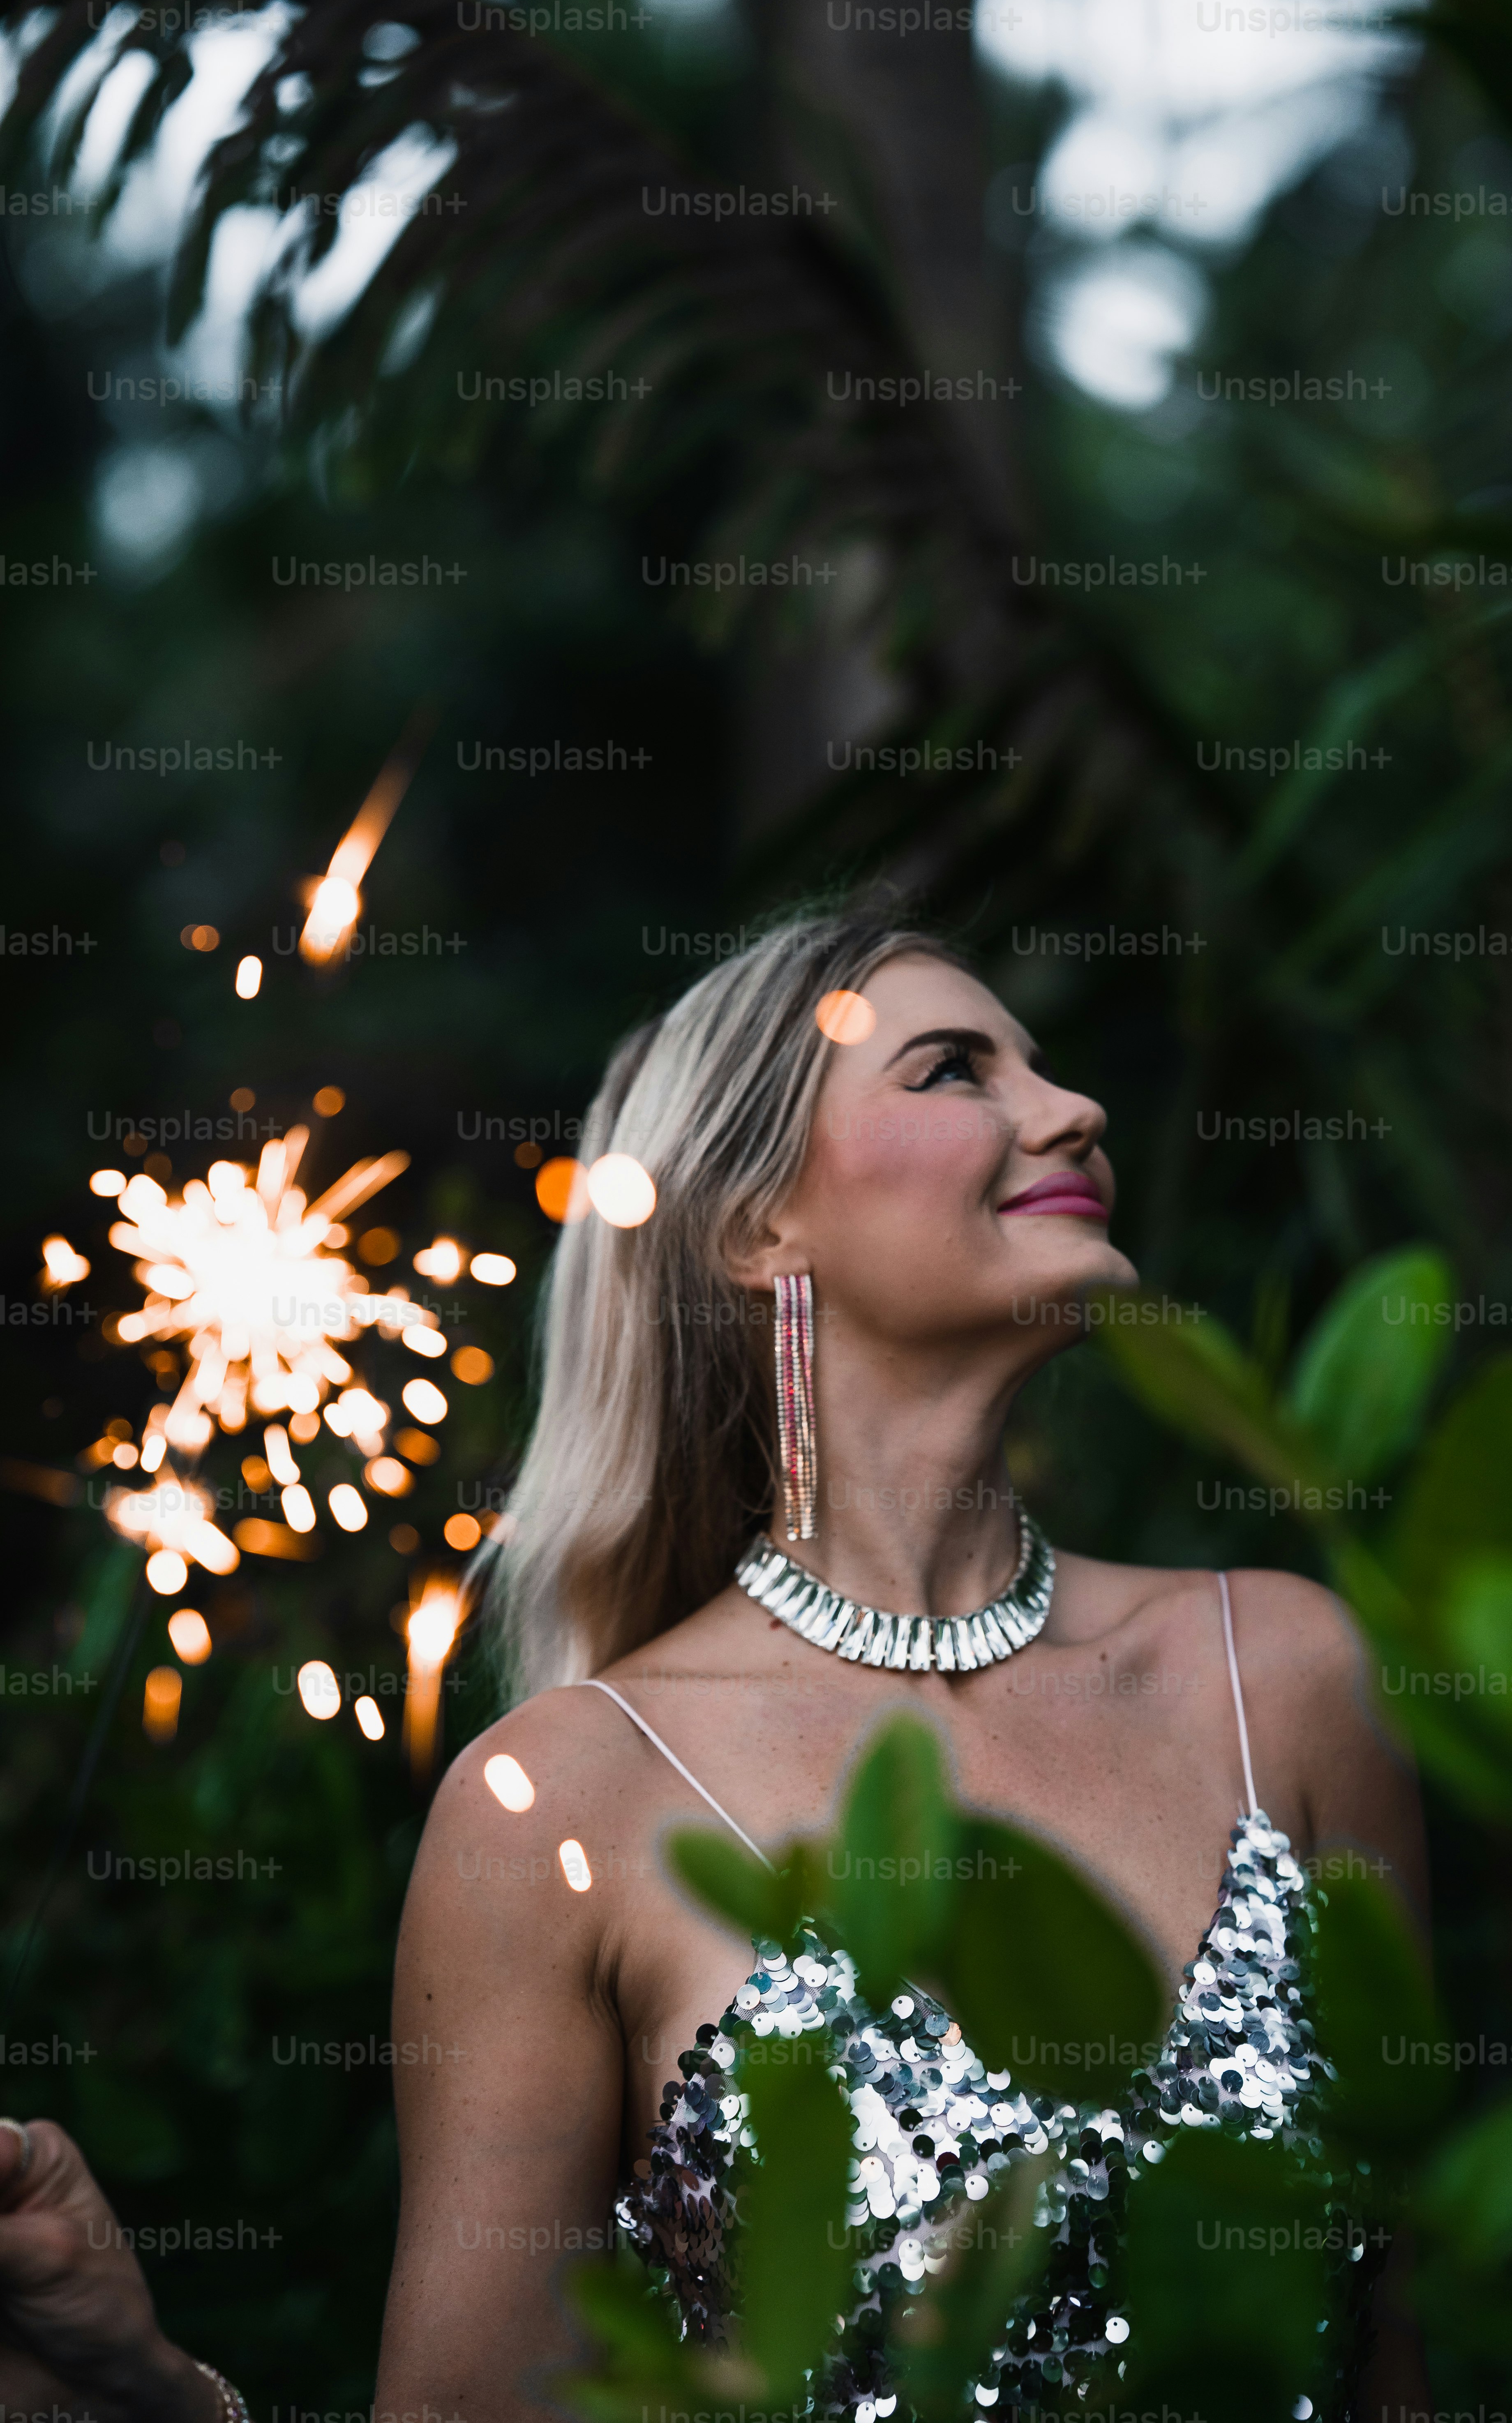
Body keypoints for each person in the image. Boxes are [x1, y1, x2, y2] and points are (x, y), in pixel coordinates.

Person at [0, 909, 1430, 2423]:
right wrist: (152, 2395)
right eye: (955, 1071)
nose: (1066, 1110)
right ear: (757, 1230)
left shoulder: (1281, 1676)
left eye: (1045, 1066)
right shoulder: (566, 1799)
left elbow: (1407, 2352)